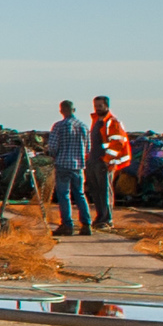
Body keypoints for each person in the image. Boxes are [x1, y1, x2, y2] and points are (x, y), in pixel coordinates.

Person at [44, 100, 96, 236]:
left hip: (62, 164)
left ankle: (67, 225)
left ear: (61, 110)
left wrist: (53, 155)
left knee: (64, 195)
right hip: (78, 166)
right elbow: (88, 148)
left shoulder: (59, 126)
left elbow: (53, 147)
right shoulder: (83, 126)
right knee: (80, 194)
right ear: (74, 109)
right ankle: (86, 224)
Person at [88, 95, 131, 217]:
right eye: (96, 106)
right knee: (96, 192)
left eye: (100, 106)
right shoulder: (96, 120)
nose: (97, 109)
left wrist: (107, 160)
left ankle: (106, 219)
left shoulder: (112, 122)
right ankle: (100, 216)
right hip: (94, 161)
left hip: (104, 162)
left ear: (107, 106)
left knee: (105, 191)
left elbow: (117, 143)